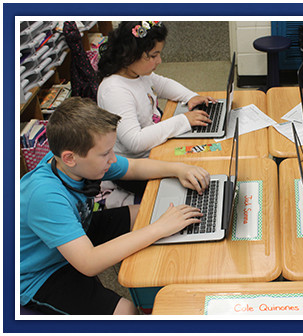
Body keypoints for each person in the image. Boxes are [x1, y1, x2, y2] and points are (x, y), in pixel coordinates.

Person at [20, 97, 210, 315]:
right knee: (126, 311)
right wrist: (158, 228)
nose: (112, 159)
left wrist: (179, 169)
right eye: (105, 154)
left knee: (147, 213)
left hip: (78, 227)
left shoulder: (76, 163)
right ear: (70, 158)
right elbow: (89, 262)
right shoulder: (45, 196)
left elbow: (134, 167)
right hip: (42, 272)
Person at [97, 21, 217, 159]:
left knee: (211, 148)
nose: (159, 61)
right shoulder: (114, 91)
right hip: (137, 164)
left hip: (154, 146)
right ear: (129, 54)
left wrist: (190, 96)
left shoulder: (137, 73)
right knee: (206, 155)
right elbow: (135, 142)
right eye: (153, 56)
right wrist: (183, 121)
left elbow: (163, 84)